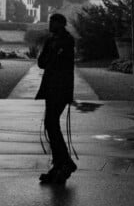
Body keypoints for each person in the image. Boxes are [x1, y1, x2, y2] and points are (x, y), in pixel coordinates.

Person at [35, 12, 78, 184]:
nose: (50, 25)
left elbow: (53, 62)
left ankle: (65, 162)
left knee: (52, 124)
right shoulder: (51, 40)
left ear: (61, 24)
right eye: (50, 22)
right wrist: (51, 56)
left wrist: (51, 57)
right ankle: (60, 163)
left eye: (53, 23)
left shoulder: (67, 41)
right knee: (50, 125)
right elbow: (42, 62)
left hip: (61, 88)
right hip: (51, 87)